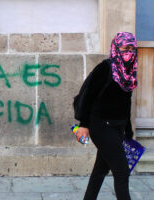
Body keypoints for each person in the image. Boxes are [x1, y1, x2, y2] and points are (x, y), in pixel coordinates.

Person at [75, 32, 138, 200]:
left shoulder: (129, 72)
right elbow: (87, 95)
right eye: (125, 47)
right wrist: (83, 124)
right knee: (122, 171)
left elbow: (126, 104)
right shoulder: (105, 68)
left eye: (132, 48)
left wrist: (128, 131)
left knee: (100, 170)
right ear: (116, 47)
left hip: (117, 127)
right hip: (101, 126)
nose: (129, 51)